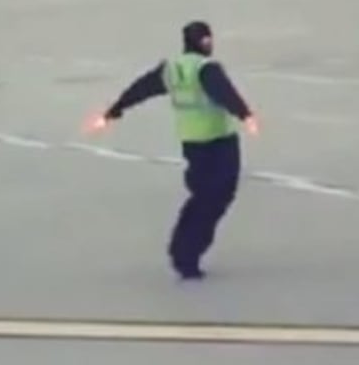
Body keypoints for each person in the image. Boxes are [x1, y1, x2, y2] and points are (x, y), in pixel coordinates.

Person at [99, 20, 258, 280]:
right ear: (202, 42)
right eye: (207, 40)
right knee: (215, 197)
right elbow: (223, 91)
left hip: (192, 144)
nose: (210, 44)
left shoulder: (171, 69)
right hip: (220, 143)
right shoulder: (206, 68)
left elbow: (142, 88)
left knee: (203, 197)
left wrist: (115, 110)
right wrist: (245, 115)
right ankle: (185, 252)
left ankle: (184, 250)